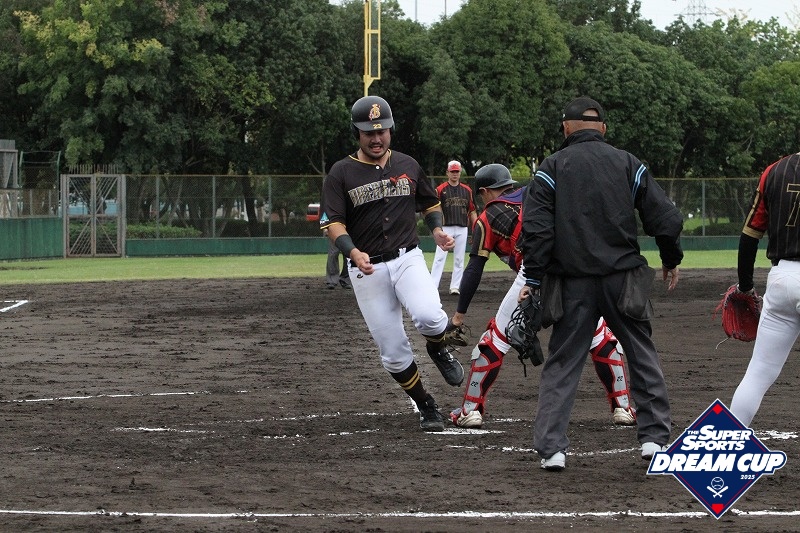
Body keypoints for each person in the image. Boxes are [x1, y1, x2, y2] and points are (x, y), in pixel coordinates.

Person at [519, 96, 683, 471]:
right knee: (641, 354)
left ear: (565, 128)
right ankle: (654, 441)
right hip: (622, 279)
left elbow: (537, 230)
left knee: (563, 362)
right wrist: (670, 258)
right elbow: (666, 218)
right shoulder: (628, 162)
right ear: (603, 129)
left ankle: (552, 449)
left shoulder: (551, 167)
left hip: (572, 283)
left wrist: (533, 278)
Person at [447, 164, 636, 429]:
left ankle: (470, 410)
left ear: (485, 191)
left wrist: (459, 315)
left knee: (496, 339)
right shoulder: (540, 193)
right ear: (509, 185)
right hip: (573, 268)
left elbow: (474, 268)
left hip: (532, 274)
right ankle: (623, 408)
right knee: (599, 336)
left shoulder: (487, 217)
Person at [320, 94, 465, 432]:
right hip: (367, 269)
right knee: (394, 352)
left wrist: (437, 230)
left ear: (390, 130)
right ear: (357, 133)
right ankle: (426, 404)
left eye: (382, 131)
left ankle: (437, 349)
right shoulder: (341, 173)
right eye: (368, 132)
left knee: (431, 317)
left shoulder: (408, 164)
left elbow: (429, 203)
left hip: (407, 257)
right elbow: (332, 223)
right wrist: (352, 252)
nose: (376, 138)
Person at [730, 152, 800, 427]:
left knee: (757, 374)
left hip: (782, 279)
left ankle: (729, 442)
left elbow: (749, 235)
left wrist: (746, 286)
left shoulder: (775, 170)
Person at [430, 161, 477, 295]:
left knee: (459, 259)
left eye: (457, 171)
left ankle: (455, 287)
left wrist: (475, 230)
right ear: (447, 173)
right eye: (452, 171)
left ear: (460, 173)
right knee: (439, 258)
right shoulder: (440, 189)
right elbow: (434, 209)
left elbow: (472, 211)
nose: (455, 174)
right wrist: (437, 227)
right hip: (446, 228)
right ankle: (433, 286)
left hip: (462, 227)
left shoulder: (467, 190)